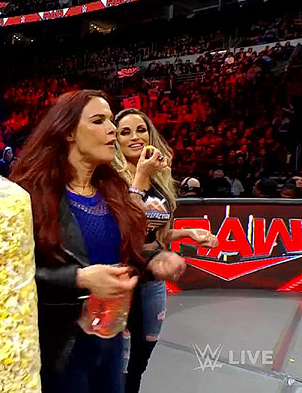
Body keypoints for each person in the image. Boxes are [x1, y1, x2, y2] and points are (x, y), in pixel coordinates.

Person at [10, 91, 186, 393]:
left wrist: (154, 263)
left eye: (110, 120)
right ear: (68, 132)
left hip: (109, 345)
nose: (112, 129)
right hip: (58, 350)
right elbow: (12, 277)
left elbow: (123, 259)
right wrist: (78, 279)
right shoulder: (29, 195)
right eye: (98, 121)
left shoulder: (113, 190)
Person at [113, 109, 217, 393]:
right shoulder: (109, 178)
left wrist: (187, 233)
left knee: (141, 357)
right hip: (121, 279)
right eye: (125, 132)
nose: (135, 137)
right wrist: (140, 177)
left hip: (152, 282)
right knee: (118, 363)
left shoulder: (161, 178)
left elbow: (156, 234)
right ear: (115, 140)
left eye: (141, 130)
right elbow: (124, 230)